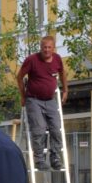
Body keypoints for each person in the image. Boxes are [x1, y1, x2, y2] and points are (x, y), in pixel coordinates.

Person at [16, 36, 68, 170]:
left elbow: (62, 74)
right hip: (33, 99)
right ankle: (39, 159)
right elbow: (19, 76)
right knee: (39, 128)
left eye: (49, 47)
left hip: (50, 100)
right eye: (44, 47)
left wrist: (65, 90)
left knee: (56, 128)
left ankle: (55, 157)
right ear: (40, 47)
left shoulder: (57, 59)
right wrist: (22, 96)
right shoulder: (32, 60)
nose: (46, 50)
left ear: (53, 48)